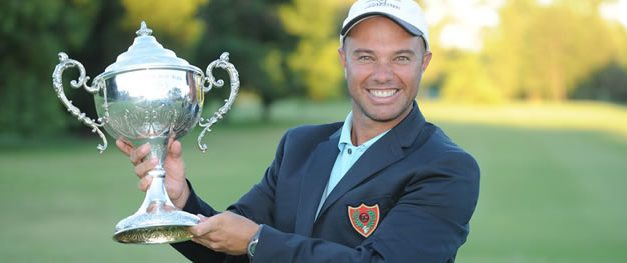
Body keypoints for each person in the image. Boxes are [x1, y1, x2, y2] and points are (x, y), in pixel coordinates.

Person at [117, 0, 480, 262]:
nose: (382, 74)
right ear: (344, 60)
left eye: (401, 57)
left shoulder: (447, 168)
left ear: (424, 63)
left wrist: (258, 241)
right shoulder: (300, 146)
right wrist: (180, 202)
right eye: (366, 56)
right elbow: (231, 247)